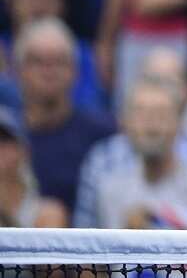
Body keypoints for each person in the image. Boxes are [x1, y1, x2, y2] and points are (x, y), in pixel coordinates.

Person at [90, 79, 187, 229]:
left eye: (161, 114)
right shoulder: (109, 192)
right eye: (140, 114)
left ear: (180, 122)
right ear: (124, 123)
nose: (151, 124)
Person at [15, 18, 114, 212]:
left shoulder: (104, 134)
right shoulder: (6, 136)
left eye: (58, 62)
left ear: (75, 71)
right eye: (38, 61)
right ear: (19, 70)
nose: (48, 72)